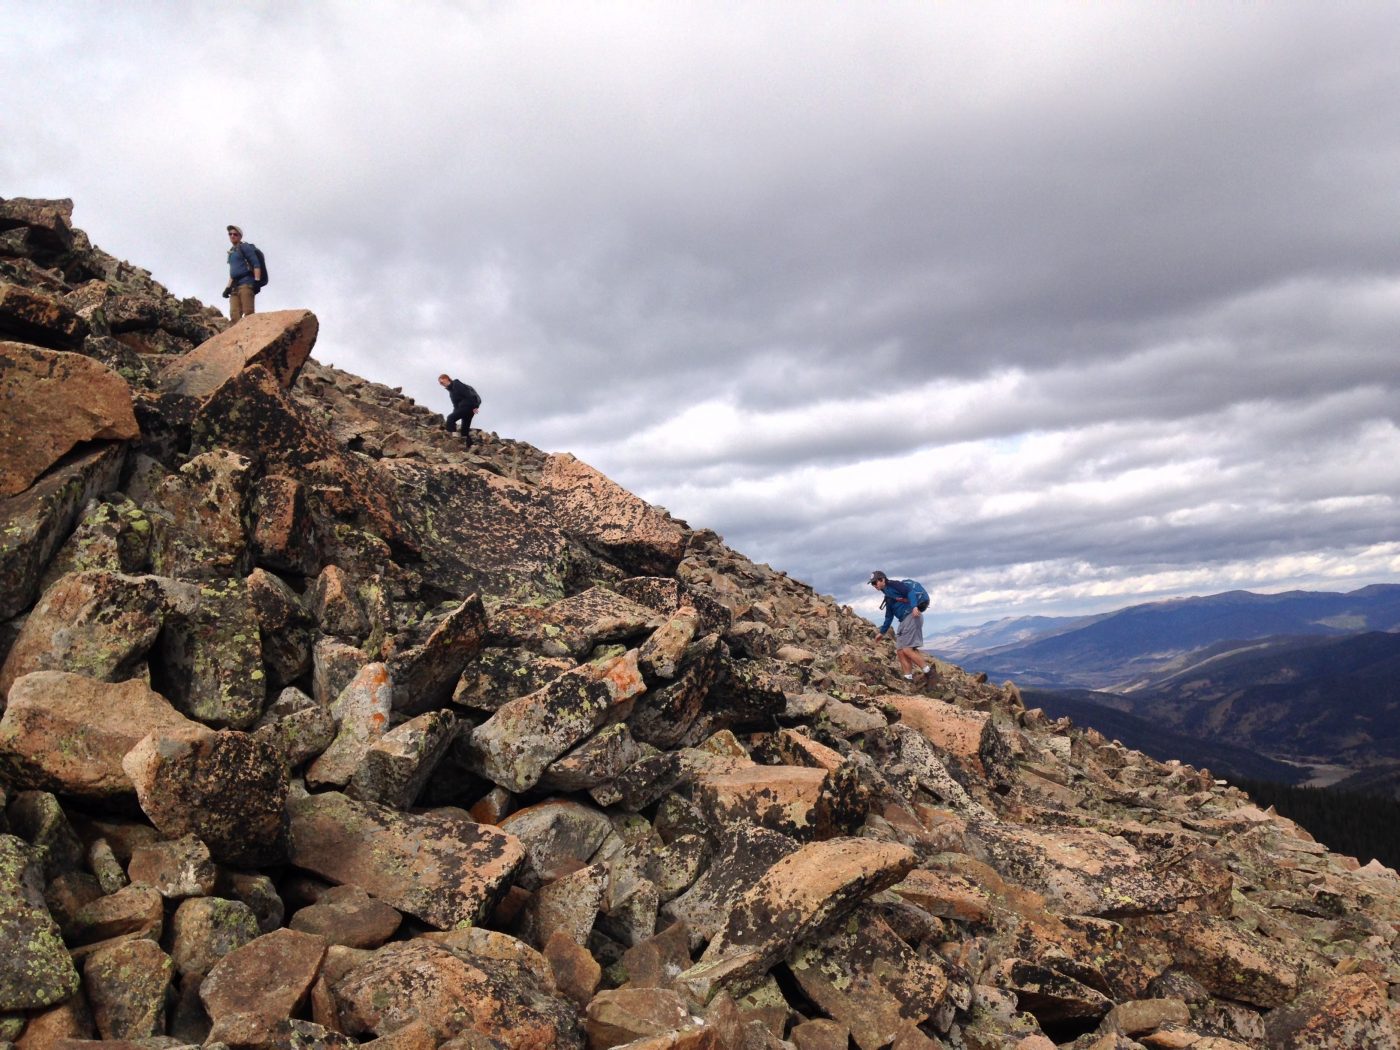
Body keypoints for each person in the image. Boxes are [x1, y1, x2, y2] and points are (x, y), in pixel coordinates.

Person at [870, 570, 938, 686]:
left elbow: (910, 592)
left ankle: (929, 672)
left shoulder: (894, 585)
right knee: (900, 651)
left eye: (875, 583)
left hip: (912, 616)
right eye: (872, 584)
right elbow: (889, 616)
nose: (874, 586)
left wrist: (914, 607)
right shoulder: (888, 595)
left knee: (907, 649)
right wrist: (882, 633)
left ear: (882, 580)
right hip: (903, 620)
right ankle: (908, 679)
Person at [222, 225, 262, 322]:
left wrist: (257, 281)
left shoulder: (244, 247)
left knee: (248, 313)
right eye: (230, 234)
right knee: (234, 314)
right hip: (234, 286)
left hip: (246, 283)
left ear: (240, 236)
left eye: (235, 234)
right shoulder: (231, 252)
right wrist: (227, 288)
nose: (232, 236)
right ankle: (237, 336)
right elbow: (232, 273)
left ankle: (251, 335)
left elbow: (256, 264)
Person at [439, 373, 481, 447]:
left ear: (446, 378)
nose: (441, 384)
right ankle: (470, 447)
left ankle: (453, 439)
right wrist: (455, 415)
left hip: (468, 406)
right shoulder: (451, 393)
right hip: (467, 410)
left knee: (450, 418)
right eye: (440, 383)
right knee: (464, 431)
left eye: (441, 382)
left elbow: (468, 394)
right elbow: (455, 406)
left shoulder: (456, 384)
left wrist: (475, 406)